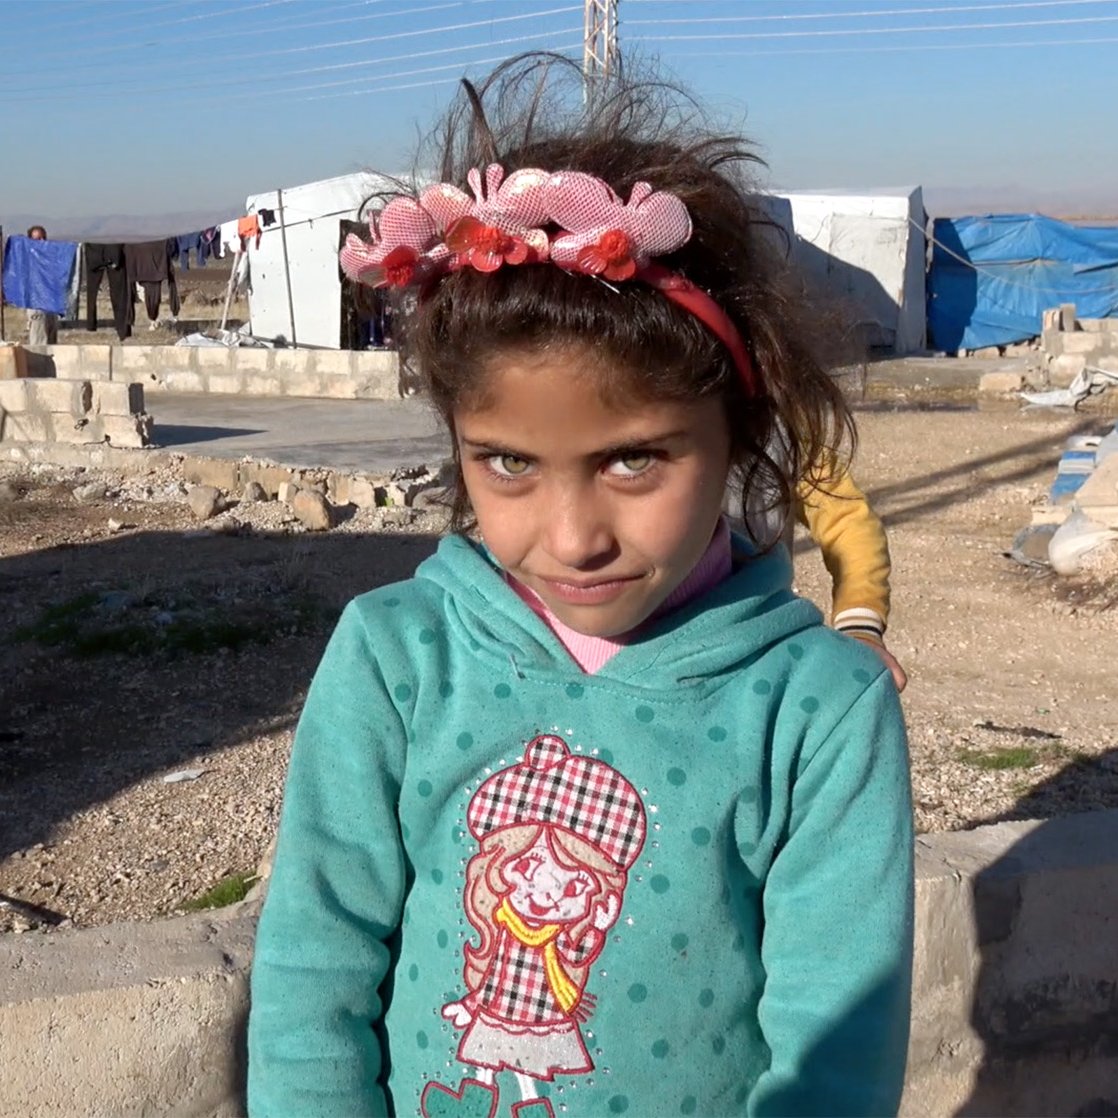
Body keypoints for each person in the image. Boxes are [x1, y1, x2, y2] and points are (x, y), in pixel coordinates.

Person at [248, 54, 914, 1118]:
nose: (571, 538)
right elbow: (313, 970)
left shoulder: (816, 708)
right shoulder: (396, 657)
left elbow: (837, 1041)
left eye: (632, 459)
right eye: (505, 461)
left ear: (736, 434)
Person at [24, 225, 59, 346]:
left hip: (51, 305)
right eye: (38, 239)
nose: (42, 241)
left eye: (44, 238)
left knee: (52, 343)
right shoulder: (27, 258)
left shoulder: (49, 258)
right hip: (37, 305)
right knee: (39, 343)